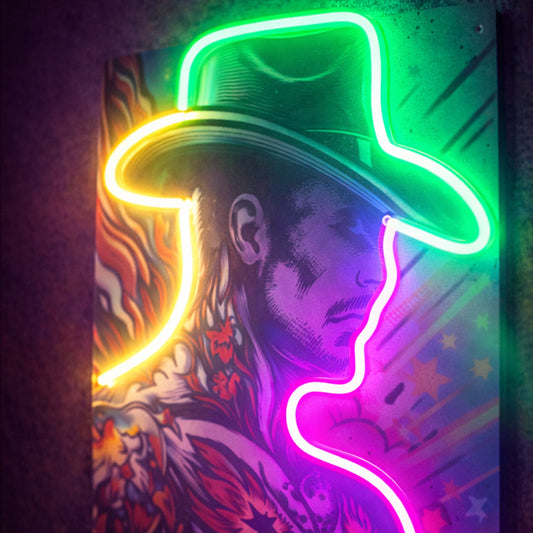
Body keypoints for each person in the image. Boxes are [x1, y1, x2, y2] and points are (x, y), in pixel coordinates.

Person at [92, 16, 491, 533]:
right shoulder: (121, 451)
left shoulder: (359, 511)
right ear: (249, 231)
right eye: (351, 226)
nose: (381, 275)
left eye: (383, 234)